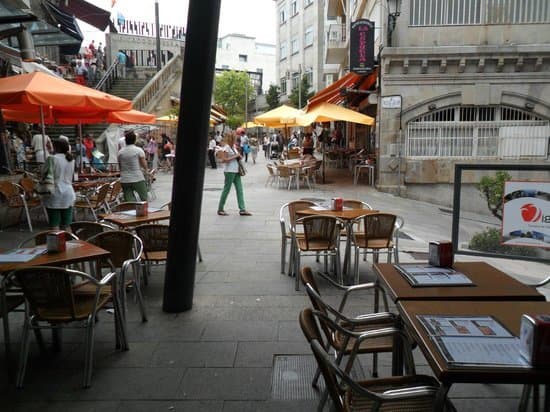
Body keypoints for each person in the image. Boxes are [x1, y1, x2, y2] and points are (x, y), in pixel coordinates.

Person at [42, 139, 76, 230]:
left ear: (56, 147)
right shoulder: (71, 159)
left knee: (54, 224)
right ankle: (69, 242)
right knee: (67, 224)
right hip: (69, 192)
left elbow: (45, 174)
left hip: (55, 192)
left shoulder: (52, 158)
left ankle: (56, 243)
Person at [216, 132, 251, 216]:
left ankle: (242, 209)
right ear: (231, 139)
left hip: (236, 171)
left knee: (240, 190)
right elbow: (224, 160)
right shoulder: (226, 148)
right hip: (229, 171)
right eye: (234, 138)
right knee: (226, 190)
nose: (236, 140)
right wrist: (235, 156)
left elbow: (237, 156)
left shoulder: (233, 147)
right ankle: (220, 209)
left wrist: (239, 156)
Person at [118, 130, 148, 201]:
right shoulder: (138, 150)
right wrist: (146, 171)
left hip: (125, 179)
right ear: (135, 140)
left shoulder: (120, 152)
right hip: (137, 178)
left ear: (125, 141)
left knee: (129, 201)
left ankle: (131, 211)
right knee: (144, 198)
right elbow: (144, 165)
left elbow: (120, 167)